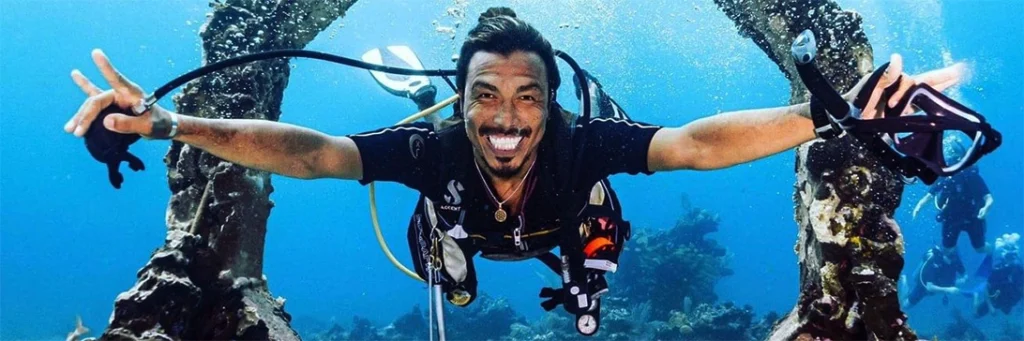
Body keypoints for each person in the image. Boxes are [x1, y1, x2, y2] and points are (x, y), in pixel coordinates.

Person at [65, 6, 967, 333]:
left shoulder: (581, 144)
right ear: (459, 101)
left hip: (566, 221)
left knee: (599, 242)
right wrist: (173, 120)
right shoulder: (433, 149)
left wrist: (825, 113)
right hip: (459, 228)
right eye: (486, 95)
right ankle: (450, 263)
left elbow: (697, 141)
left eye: (527, 96)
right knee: (439, 244)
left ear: (552, 100)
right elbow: (312, 152)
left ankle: (583, 278)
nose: (505, 117)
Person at [912, 135, 995, 255]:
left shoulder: (971, 175)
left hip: (973, 217)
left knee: (979, 249)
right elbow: (929, 195)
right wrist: (918, 207)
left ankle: (991, 250)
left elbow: (988, 198)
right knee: (948, 249)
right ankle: (955, 260)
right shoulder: (945, 177)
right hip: (951, 217)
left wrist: (986, 208)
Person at [972, 233, 1022, 317]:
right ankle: (975, 294)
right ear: (1004, 256)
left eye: (1012, 257)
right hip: (994, 298)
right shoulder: (997, 269)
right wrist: (990, 307)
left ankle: (1005, 305)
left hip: (1009, 297)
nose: (1010, 261)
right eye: (1008, 257)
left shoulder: (1019, 269)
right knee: (976, 314)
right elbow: (986, 289)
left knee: (1007, 313)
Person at [901, 245, 967, 309]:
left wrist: (963, 280)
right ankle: (904, 279)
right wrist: (949, 290)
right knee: (905, 305)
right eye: (948, 258)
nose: (950, 262)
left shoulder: (955, 260)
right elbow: (929, 287)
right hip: (924, 286)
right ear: (944, 254)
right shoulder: (935, 262)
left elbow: (964, 274)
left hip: (938, 284)